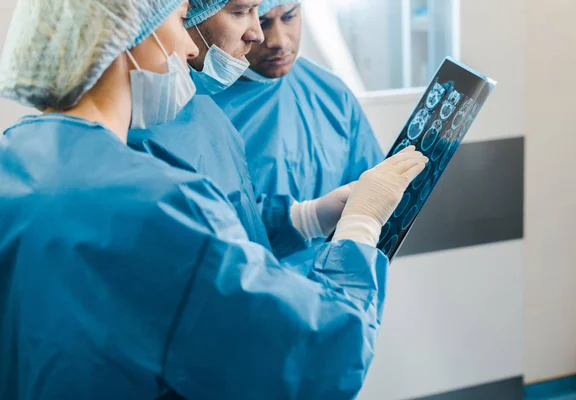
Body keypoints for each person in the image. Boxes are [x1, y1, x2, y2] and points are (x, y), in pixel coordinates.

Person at [0, 0, 428, 399]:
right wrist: (361, 224)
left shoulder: (17, 159)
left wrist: (306, 217)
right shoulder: (153, 203)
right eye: (178, 18)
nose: (187, 43)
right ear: (124, 37)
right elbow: (323, 354)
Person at [128, 0, 350, 261]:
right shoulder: (134, 141)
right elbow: (220, 279)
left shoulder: (203, 110)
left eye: (289, 16)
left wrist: (307, 219)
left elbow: (237, 223)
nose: (259, 35)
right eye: (242, 12)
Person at [212, 0, 384, 263]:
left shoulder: (332, 94)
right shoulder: (203, 109)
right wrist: (307, 219)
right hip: (250, 294)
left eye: (289, 16)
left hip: (336, 291)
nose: (278, 40)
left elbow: (376, 195)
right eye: (263, 22)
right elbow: (204, 233)